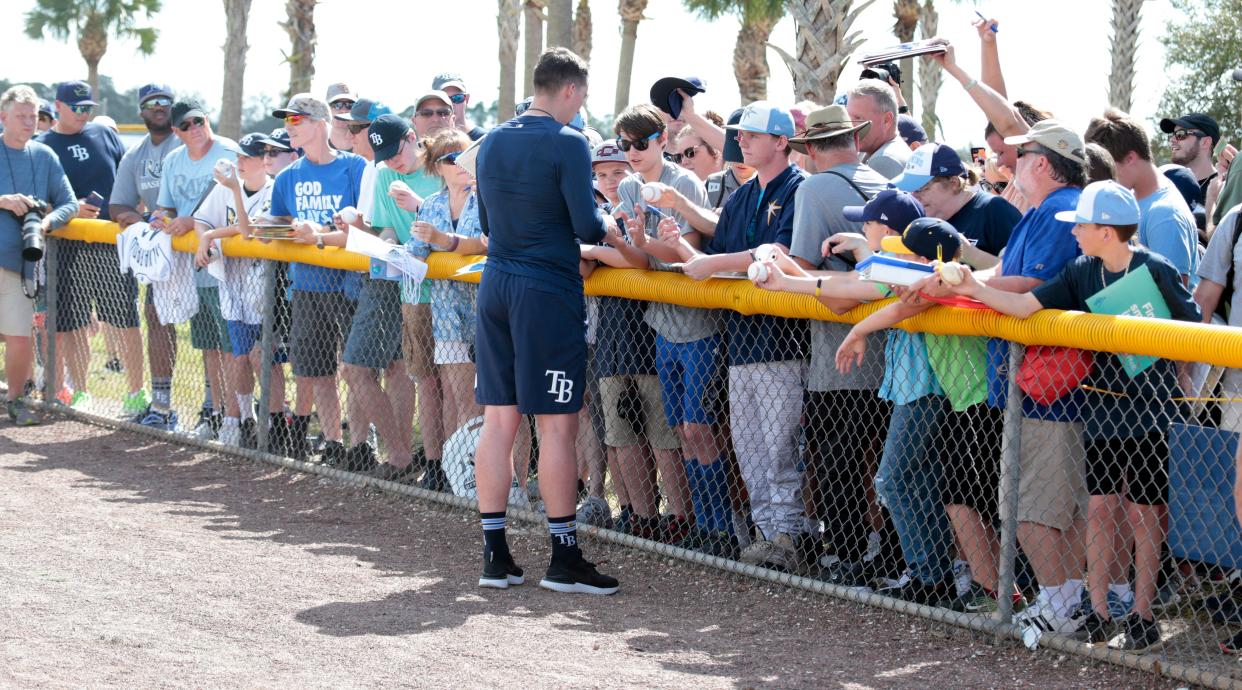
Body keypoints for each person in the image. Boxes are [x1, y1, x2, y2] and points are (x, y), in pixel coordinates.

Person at [936, 180, 1201, 652]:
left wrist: (1175, 376)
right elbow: (1022, 305)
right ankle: (1098, 611)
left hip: (1150, 409)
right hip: (1101, 406)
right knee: (1100, 507)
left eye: (1081, 224)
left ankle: (1142, 613)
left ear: (1106, 230)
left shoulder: (1155, 268)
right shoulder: (1081, 270)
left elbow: (1193, 326)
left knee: (1145, 511)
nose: (1074, 231)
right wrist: (974, 285)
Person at [472, 47, 620, 594]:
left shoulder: (490, 141)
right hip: (546, 289)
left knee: (499, 419)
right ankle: (563, 557)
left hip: (497, 284)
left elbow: (486, 220)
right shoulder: (568, 141)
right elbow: (587, 223)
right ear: (571, 91)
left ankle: (495, 554)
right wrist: (613, 216)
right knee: (557, 423)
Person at [673, 101, 810, 571]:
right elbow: (716, 248)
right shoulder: (742, 193)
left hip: (784, 341)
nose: (743, 141)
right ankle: (767, 533)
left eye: (753, 134)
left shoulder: (799, 187)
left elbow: (785, 253)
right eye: (741, 134)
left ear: (781, 141)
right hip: (742, 340)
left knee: (781, 448)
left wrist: (712, 263)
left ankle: (791, 537)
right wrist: (677, 236)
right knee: (750, 447)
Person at [783, 105, 894, 586]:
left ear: (809, 149)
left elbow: (804, 263)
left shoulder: (814, 186)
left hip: (841, 345)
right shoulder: (886, 180)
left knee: (837, 455)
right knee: (886, 460)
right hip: (898, 345)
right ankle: (891, 557)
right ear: (853, 139)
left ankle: (849, 554)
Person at [613, 103, 714, 547]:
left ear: (662, 141)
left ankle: (717, 524)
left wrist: (644, 243)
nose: (633, 152)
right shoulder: (630, 187)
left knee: (700, 428)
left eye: (641, 143)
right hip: (662, 321)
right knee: (680, 432)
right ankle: (696, 524)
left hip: (699, 322)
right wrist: (629, 242)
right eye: (626, 145)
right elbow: (644, 262)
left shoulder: (683, 181)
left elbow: (688, 253)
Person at [264, 94, 367, 467]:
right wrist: (289, 227)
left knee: (357, 370)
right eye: (288, 121)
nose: (290, 127)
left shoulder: (354, 167)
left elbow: (368, 225)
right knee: (318, 370)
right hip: (307, 284)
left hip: (352, 283)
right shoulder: (288, 176)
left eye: (297, 120)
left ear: (320, 123)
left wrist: (321, 230)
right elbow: (273, 226)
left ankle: (360, 444)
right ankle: (334, 442)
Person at [37, 80, 141, 412]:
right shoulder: (43, 145)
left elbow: (128, 177)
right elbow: (36, 200)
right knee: (73, 323)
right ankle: (80, 391)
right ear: (58, 106)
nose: (84, 114)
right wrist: (68, 208)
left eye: (88, 108)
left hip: (111, 241)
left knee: (125, 319)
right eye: (77, 108)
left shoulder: (104, 133)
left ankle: (136, 395)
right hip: (67, 245)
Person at [150, 100, 240, 440]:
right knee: (209, 345)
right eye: (184, 126)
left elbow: (234, 206)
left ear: (207, 119)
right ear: (176, 132)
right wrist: (162, 219)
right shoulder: (174, 160)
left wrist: (191, 220)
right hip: (196, 266)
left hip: (229, 262)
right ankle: (215, 414)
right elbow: (165, 207)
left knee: (234, 346)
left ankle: (236, 419)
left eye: (197, 121)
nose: (193, 128)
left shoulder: (228, 153)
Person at [368, 114, 448, 487]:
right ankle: (433, 466)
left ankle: (457, 464)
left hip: (450, 292)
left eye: (395, 151)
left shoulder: (439, 168)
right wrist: (385, 244)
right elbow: (386, 226)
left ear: (413, 138)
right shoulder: (385, 175)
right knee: (427, 383)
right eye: (383, 156)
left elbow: (459, 227)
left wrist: (419, 205)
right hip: (413, 293)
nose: (391, 162)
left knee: (456, 386)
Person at [408, 128, 490, 484]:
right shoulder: (430, 206)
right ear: (438, 166)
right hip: (446, 317)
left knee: (485, 400)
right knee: (457, 398)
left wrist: (444, 241)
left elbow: (488, 244)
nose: (460, 164)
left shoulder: (486, 199)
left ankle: (485, 472)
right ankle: (458, 471)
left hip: (486, 314)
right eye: (451, 158)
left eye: (465, 156)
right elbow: (414, 254)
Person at [191, 132, 278, 449]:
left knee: (262, 359)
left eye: (247, 157)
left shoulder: (271, 189)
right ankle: (242, 419)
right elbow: (201, 218)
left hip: (262, 283)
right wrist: (206, 237)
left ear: (263, 160)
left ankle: (271, 423)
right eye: (239, 156)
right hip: (231, 281)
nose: (240, 162)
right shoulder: (226, 187)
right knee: (239, 356)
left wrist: (212, 234)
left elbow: (247, 229)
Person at [0, 85, 78, 426]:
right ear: (3, 117)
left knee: (19, 337)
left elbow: (70, 202)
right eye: (21, 116)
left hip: (22, 262)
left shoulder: (45, 155)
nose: (29, 122)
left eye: (33, 117)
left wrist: (46, 221)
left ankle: (16, 400)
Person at [109, 82, 182, 431]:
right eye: (152, 102)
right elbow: (117, 204)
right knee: (156, 319)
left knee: (210, 332)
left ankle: (218, 410)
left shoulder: (187, 141)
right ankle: (162, 404)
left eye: (165, 101)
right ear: (142, 110)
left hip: (196, 244)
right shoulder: (135, 155)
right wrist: (143, 221)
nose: (159, 106)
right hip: (161, 249)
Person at [1086, 109, 1200, 288]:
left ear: (1130, 158)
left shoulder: (1165, 214)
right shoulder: (1132, 199)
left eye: (1111, 168)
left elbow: (1174, 293)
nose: (1108, 178)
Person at [845, 79, 911, 179]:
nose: (850, 126)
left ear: (886, 120)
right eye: (848, 118)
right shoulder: (873, 151)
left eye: (858, 118)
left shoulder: (884, 160)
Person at [1160, 112, 1221, 198]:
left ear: (1205, 142)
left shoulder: (1224, 189)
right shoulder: (1168, 187)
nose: (1172, 140)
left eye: (1180, 134)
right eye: (1172, 135)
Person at [431, 72, 487, 141]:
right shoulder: (428, 143)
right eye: (444, 99)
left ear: (467, 99)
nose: (451, 104)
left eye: (457, 98)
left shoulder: (485, 139)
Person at [325, 82, 357, 152]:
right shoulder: (315, 144)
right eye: (337, 105)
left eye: (350, 105)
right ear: (327, 108)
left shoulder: (368, 145)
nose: (344, 110)